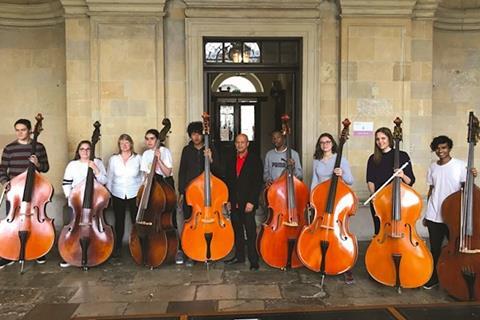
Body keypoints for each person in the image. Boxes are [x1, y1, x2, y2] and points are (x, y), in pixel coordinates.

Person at [422, 135, 477, 290]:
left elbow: (468, 190)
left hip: (453, 216)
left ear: (449, 148)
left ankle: (455, 277)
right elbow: (431, 190)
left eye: (444, 147)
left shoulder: (460, 165)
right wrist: (427, 214)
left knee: (455, 249)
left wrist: (472, 177)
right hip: (434, 214)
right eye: (438, 148)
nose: (441, 151)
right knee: (435, 250)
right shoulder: (432, 167)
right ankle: (434, 278)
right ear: (435, 150)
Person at [0, 119, 50, 269]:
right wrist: (5, 182)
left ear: (30, 131)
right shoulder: (9, 148)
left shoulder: (39, 147)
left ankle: (39, 250)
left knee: (35, 221)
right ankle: (8, 254)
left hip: (34, 190)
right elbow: (2, 170)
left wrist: (38, 165)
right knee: (12, 221)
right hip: (14, 192)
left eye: (23, 130)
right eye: (17, 130)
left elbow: (46, 168)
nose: (19, 133)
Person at [311, 133, 355, 284]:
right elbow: (314, 181)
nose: (325, 145)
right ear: (320, 145)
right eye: (322, 142)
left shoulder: (341, 159)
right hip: (321, 201)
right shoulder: (317, 161)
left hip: (337, 201)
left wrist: (342, 173)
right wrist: (312, 200)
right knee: (318, 233)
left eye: (328, 142)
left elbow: (350, 180)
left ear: (333, 143)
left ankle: (346, 266)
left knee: (340, 234)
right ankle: (318, 259)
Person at [178, 121, 221, 266]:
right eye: (193, 134)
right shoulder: (186, 150)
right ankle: (189, 253)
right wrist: (181, 191)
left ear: (203, 134)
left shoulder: (211, 148)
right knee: (190, 224)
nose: (196, 137)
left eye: (198, 133)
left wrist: (211, 159)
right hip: (191, 195)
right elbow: (182, 171)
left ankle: (209, 250)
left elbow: (220, 171)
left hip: (207, 194)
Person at [60, 140, 108, 267]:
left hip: (94, 202)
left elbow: (104, 181)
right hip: (76, 202)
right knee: (73, 227)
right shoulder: (72, 165)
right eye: (82, 149)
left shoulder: (97, 162)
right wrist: (70, 199)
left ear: (91, 151)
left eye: (88, 149)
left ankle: (98, 252)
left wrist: (96, 170)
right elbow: (66, 183)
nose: (85, 151)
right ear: (78, 151)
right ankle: (70, 254)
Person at [224, 134, 263, 271]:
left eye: (243, 142)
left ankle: (254, 260)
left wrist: (252, 201)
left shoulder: (255, 160)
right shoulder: (229, 159)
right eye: (237, 142)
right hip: (234, 202)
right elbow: (228, 181)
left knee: (251, 231)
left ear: (247, 144)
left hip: (248, 203)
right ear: (235, 144)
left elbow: (257, 182)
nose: (240, 144)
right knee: (237, 230)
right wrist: (228, 200)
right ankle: (239, 256)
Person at [366, 127, 415, 235]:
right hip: (379, 200)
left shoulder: (402, 156)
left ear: (389, 139)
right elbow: (370, 180)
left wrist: (402, 175)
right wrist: (373, 194)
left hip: (398, 199)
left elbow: (411, 181)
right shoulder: (373, 158)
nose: (380, 141)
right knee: (379, 230)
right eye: (377, 139)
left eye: (383, 138)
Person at [106, 134, 142, 257]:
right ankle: (118, 246)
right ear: (119, 145)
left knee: (135, 220)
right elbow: (109, 177)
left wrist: (142, 193)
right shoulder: (114, 159)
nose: (124, 145)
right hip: (118, 192)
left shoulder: (138, 158)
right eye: (121, 143)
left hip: (134, 193)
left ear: (131, 144)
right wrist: (108, 194)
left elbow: (143, 177)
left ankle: (138, 245)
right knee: (119, 221)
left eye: (126, 142)